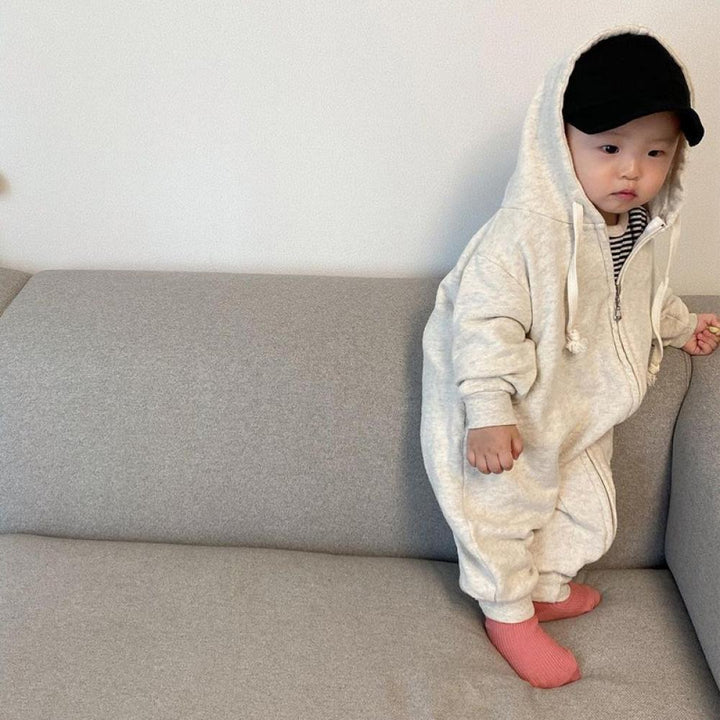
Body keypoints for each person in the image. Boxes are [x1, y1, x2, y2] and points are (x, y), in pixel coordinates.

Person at [420, 27, 719, 689]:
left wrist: (680, 327)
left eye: (655, 151)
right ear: (560, 143)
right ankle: (507, 613)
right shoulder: (521, 235)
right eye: (609, 147)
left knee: (586, 510)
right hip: (507, 412)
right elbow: (484, 322)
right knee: (501, 513)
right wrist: (488, 409)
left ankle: (546, 588)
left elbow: (639, 298)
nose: (632, 170)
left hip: (580, 404)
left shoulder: (637, 229)